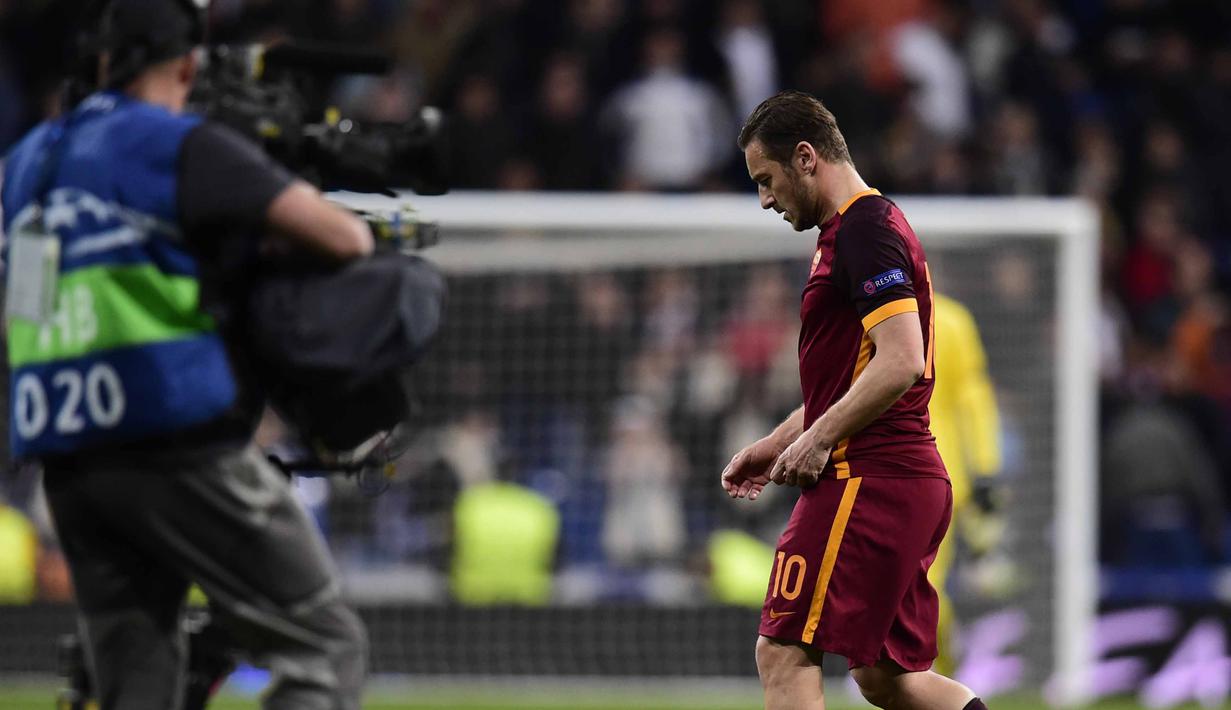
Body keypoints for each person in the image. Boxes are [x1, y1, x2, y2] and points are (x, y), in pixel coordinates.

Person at [1, 1, 370, 708]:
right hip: (174, 443)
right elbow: (343, 238)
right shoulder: (176, 145)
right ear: (187, 65)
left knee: (135, 681)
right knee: (323, 643)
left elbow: (17, 313)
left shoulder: (25, 161)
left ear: (105, 61)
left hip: (69, 461)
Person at [721, 90, 988, 710]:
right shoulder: (854, 231)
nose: (764, 199)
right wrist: (778, 442)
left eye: (767, 180)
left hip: (867, 476)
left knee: (783, 652)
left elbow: (901, 359)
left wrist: (816, 440)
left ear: (807, 158)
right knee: (889, 677)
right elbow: (852, 376)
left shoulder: (865, 228)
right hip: (897, 477)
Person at [928, 291, 1005, 673]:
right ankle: (932, 679)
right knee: (909, 591)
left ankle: (937, 679)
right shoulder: (860, 314)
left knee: (923, 590)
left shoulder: (951, 320)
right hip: (882, 477)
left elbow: (973, 399)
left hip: (935, 480)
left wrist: (987, 467)